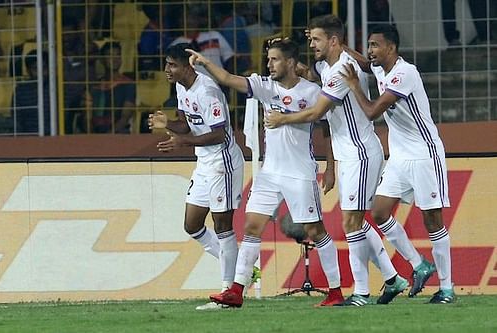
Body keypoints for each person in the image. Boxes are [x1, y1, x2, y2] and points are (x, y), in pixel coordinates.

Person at [265, 15, 412, 306]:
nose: (312, 44)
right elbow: (323, 97)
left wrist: (283, 118)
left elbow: (316, 113)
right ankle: (393, 278)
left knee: (350, 222)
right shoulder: (324, 67)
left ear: (333, 40)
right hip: (348, 156)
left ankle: (360, 292)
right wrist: (331, 166)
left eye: (317, 39)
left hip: (360, 153)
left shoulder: (342, 69)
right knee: (356, 222)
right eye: (310, 39)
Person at [188, 37, 345, 308]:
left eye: (274, 59)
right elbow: (227, 78)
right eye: (268, 59)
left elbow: (326, 129)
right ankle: (236, 290)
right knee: (250, 227)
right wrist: (204, 63)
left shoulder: (311, 92)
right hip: (270, 172)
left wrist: (331, 168)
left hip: (300, 173)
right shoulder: (265, 86)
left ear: (291, 63)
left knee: (315, 230)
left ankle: (335, 292)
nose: (269, 64)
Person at [340, 24, 454, 304]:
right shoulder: (381, 67)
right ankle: (419, 264)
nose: (370, 51)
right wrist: (338, 46)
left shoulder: (405, 73)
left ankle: (447, 288)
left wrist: (354, 86)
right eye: (369, 45)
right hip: (400, 157)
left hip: (425, 155)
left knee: (432, 220)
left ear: (391, 48)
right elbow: (366, 64)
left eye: (375, 45)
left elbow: (371, 112)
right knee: (378, 212)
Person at [147, 43, 245, 311]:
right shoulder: (181, 87)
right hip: (204, 162)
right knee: (192, 225)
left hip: (222, 162)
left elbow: (219, 134)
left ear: (188, 66)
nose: (167, 70)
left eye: (172, 65)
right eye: (167, 64)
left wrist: (181, 142)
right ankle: (240, 270)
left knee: (223, 225)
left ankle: (229, 292)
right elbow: (188, 124)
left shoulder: (208, 90)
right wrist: (167, 124)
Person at [91, 41, 136, 133]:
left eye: (118, 55)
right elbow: (87, 117)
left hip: (118, 133)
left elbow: (125, 117)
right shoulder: (95, 86)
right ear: (102, 59)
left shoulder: (128, 85)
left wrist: (109, 136)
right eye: (110, 55)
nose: (115, 59)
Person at [11, 49, 50, 135]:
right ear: (28, 71)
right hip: (29, 138)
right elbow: (17, 121)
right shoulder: (21, 91)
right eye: (35, 68)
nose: (41, 72)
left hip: (55, 137)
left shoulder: (56, 89)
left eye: (44, 67)